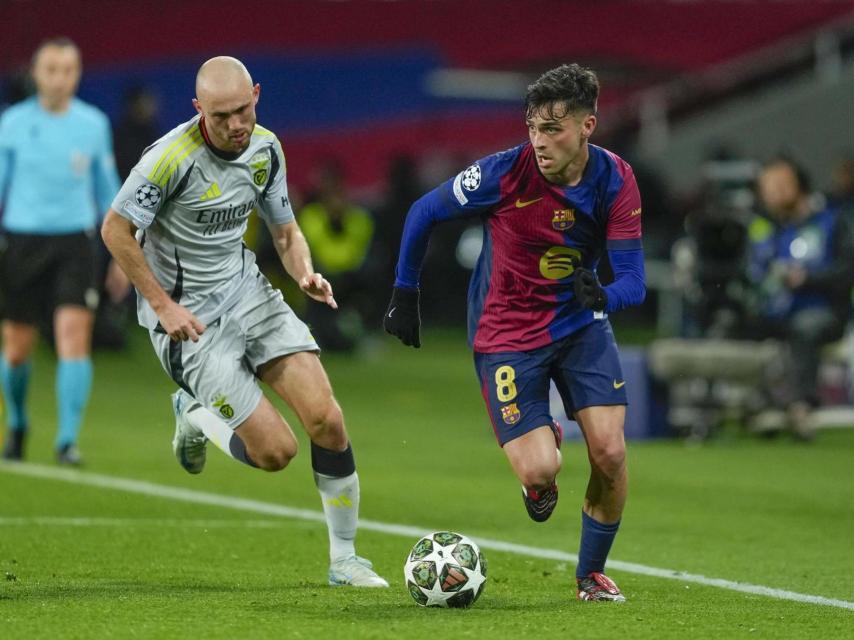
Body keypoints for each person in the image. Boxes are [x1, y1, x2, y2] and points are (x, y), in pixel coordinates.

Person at [100, 56, 388, 588]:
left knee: (327, 419)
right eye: (221, 116)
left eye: (243, 110)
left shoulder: (266, 149)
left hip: (250, 296)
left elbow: (285, 231)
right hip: (190, 323)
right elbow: (115, 230)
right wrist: (162, 306)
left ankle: (345, 559)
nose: (236, 125)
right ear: (198, 109)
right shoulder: (168, 160)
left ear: (256, 93)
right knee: (276, 453)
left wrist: (304, 272)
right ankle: (194, 414)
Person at [384, 64, 645, 602]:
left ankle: (590, 576)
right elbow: (423, 211)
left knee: (611, 453)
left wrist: (604, 296)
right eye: (532, 127)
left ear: (588, 126)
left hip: (581, 327)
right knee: (540, 469)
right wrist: (404, 292)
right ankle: (542, 455)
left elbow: (634, 280)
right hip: (506, 333)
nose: (539, 141)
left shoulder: (616, 180)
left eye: (552, 129)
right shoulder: (503, 174)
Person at [0, 37, 124, 465]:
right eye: (51, 69)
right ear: (36, 74)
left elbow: (109, 192)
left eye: (68, 70)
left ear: (78, 74)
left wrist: (122, 254)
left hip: (76, 243)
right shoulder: (13, 123)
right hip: (22, 242)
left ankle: (67, 440)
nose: (59, 78)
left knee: (74, 339)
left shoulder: (93, 124)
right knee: (17, 348)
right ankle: (18, 423)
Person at [742, 155, 854, 438]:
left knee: (804, 327)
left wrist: (807, 278)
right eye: (767, 187)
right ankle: (759, 404)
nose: (773, 193)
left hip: (826, 310)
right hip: (778, 311)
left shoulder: (832, 220)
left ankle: (801, 407)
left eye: (780, 184)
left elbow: (847, 271)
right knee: (737, 323)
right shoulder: (768, 229)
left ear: (799, 184)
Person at [299, 160, 375, 351]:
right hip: (320, 278)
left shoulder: (358, 217)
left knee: (372, 277)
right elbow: (321, 250)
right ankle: (319, 333)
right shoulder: (311, 215)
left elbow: (353, 252)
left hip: (351, 279)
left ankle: (363, 331)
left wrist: (341, 220)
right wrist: (331, 220)